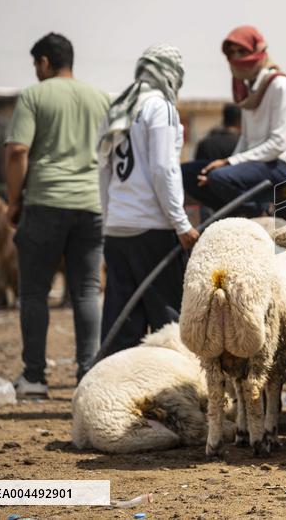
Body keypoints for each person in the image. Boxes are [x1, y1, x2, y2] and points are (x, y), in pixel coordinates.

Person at [4, 32, 111, 397]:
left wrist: (14, 200)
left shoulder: (34, 96)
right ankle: (88, 374)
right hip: (91, 204)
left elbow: (18, 150)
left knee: (34, 292)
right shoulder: (101, 99)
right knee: (86, 291)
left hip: (46, 201)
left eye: (37, 64)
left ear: (45, 62)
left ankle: (34, 378)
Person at [97, 44, 199, 356]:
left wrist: (109, 216)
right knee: (168, 320)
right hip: (152, 229)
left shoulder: (119, 108)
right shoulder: (160, 108)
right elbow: (163, 168)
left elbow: (104, 170)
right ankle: (175, 389)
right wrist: (181, 224)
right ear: (170, 74)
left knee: (122, 320)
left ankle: (115, 390)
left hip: (118, 228)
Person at [181, 26, 286, 218]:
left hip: (281, 165)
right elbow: (246, 139)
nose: (237, 58)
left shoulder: (279, 85)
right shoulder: (248, 92)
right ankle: (236, 212)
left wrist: (229, 163)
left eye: (242, 51)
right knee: (187, 173)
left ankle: (257, 214)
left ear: (258, 51)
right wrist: (228, 165)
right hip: (256, 163)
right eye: (232, 53)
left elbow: (278, 144)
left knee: (218, 177)